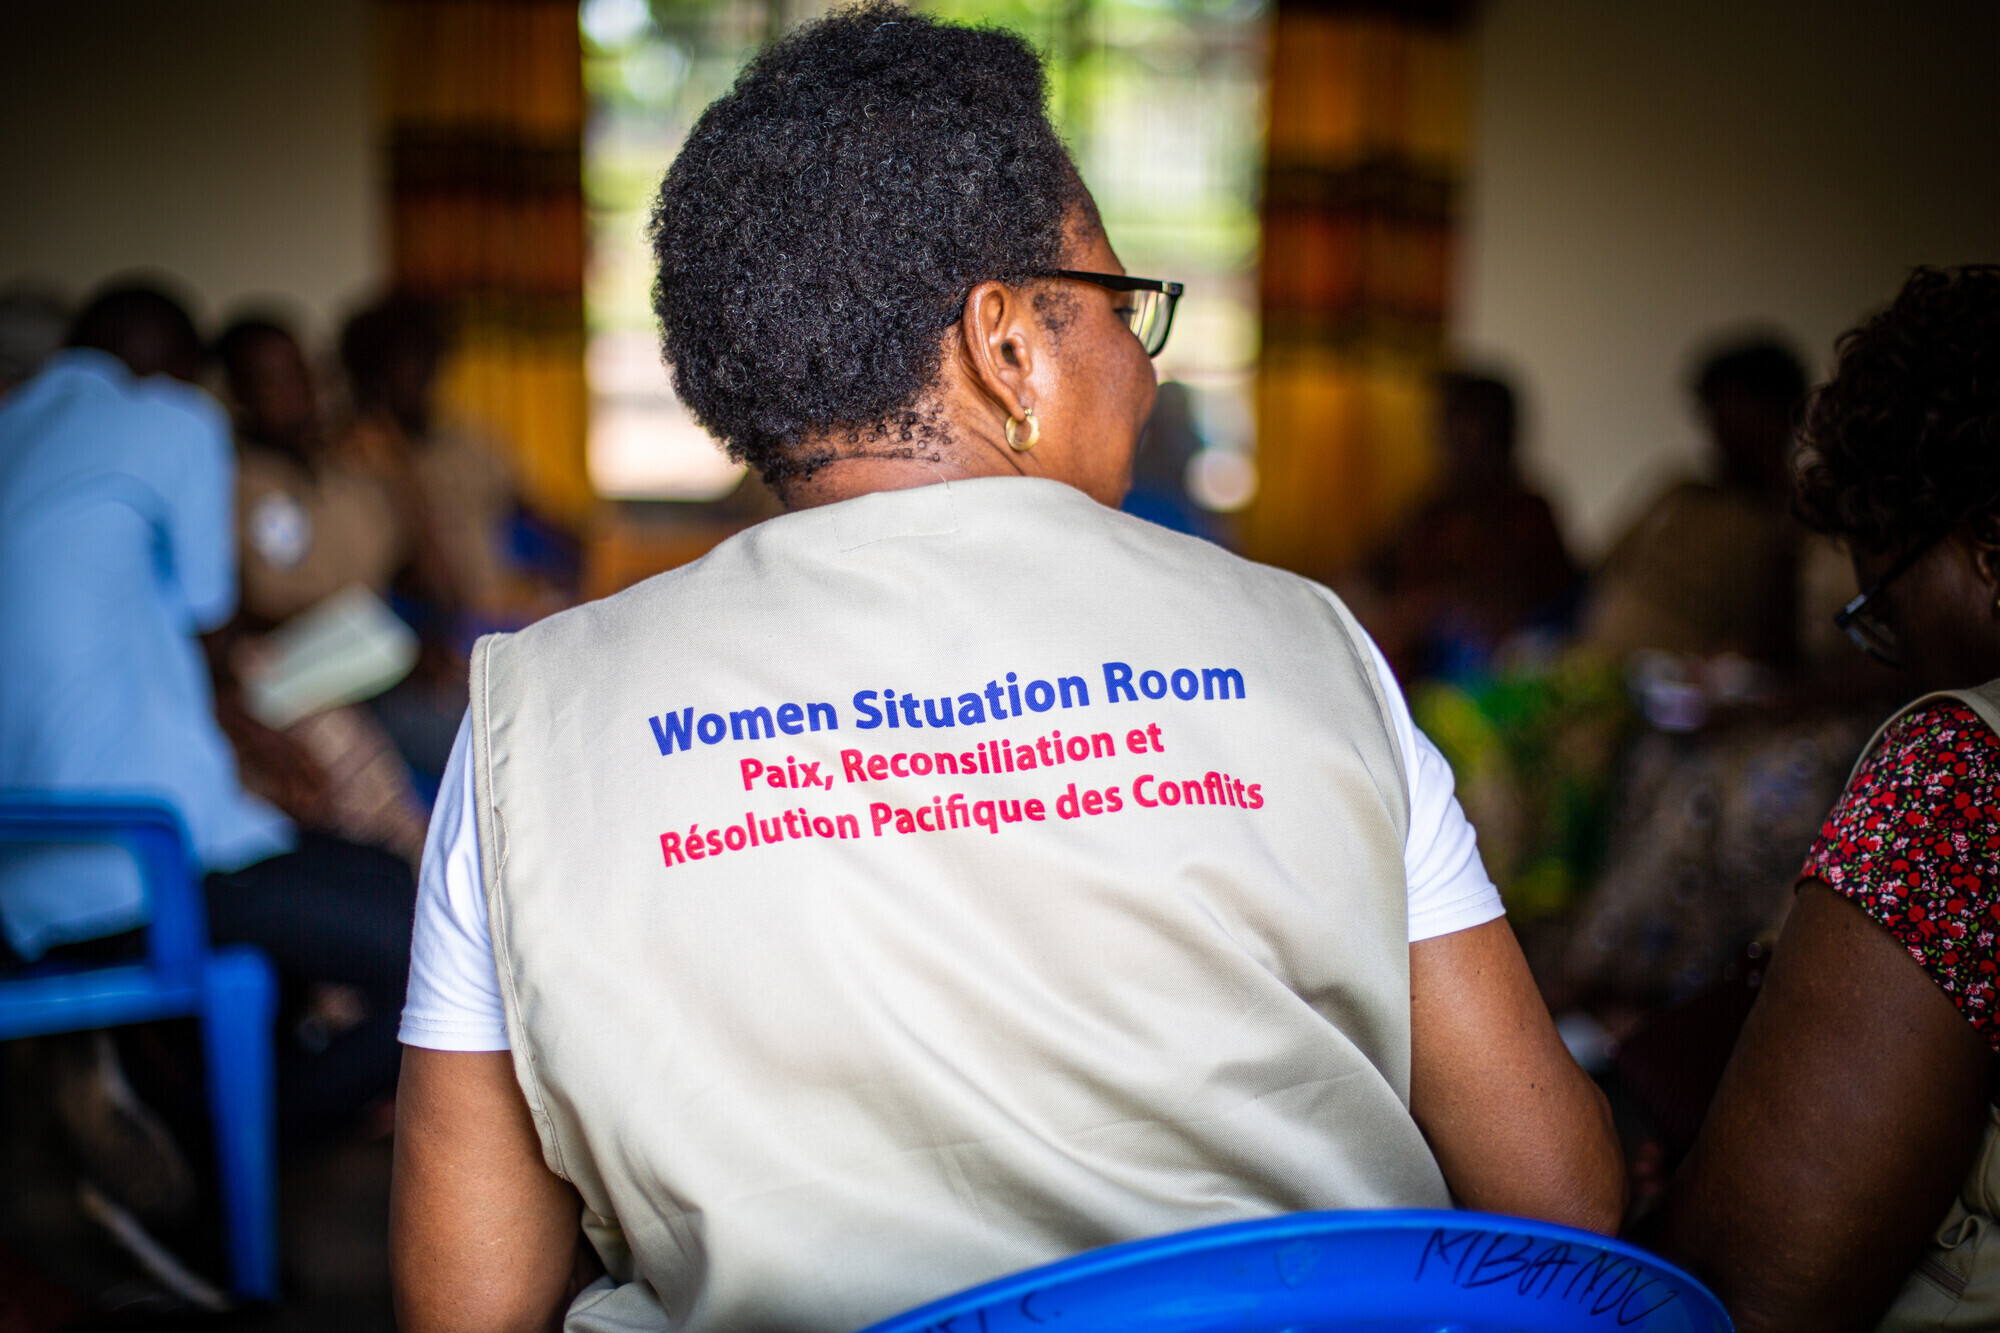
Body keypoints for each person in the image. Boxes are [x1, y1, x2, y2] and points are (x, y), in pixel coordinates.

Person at [389, 10, 1623, 1332]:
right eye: (1121, 309)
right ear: (1009, 347)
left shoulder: (541, 716)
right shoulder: (1307, 644)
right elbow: (1557, 1205)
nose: (1144, 374)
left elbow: (470, 1304)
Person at [1646, 265, 2000, 1331]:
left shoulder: (1955, 774)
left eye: (1883, 610)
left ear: (1989, 547)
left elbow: (1752, 1288)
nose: (1897, 659)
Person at [0, 282, 417, 1155]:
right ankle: (208, 1146)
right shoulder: (170, 418)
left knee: (375, 881)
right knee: (448, 954)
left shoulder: (13, 425)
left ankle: (176, 1112)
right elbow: (212, 621)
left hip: (23, 872)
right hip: (145, 855)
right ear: (186, 369)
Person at [1582, 337, 1808, 667]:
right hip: (1595, 668)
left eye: (1735, 408)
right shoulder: (1679, 493)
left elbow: (1779, 642)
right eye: (1711, 411)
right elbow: (1600, 572)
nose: (1716, 428)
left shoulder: (1795, 520)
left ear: (1777, 413)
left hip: (1687, 691)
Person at [1363, 371, 1577, 680]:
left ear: (1503, 440)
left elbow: (1521, 602)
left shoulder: (1529, 515)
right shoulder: (1433, 510)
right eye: (1446, 433)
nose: (1448, 448)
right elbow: (1373, 566)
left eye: (1467, 436)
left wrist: (1417, 614)